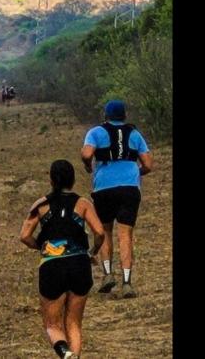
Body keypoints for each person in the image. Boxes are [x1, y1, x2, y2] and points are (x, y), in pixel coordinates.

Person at [19, 160, 105, 359]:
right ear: (73, 180)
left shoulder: (41, 205)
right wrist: (92, 251)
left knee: (52, 325)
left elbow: (24, 236)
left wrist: (42, 247)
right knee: (74, 323)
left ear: (51, 180)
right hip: (79, 264)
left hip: (52, 265)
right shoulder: (83, 203)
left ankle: (65, 353)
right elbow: (100, 232)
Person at [80, 100, 153, 298]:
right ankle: (127, 283)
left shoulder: (96, 132)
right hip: (129, 189)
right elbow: (148, 164)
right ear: (124, 116)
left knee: (105, 230)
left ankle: (107, 274)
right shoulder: (134, 134)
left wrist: (88, 165)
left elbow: (86, 153)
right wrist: (135, 172)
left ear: (105, 116)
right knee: (125, 234)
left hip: (104, 188)